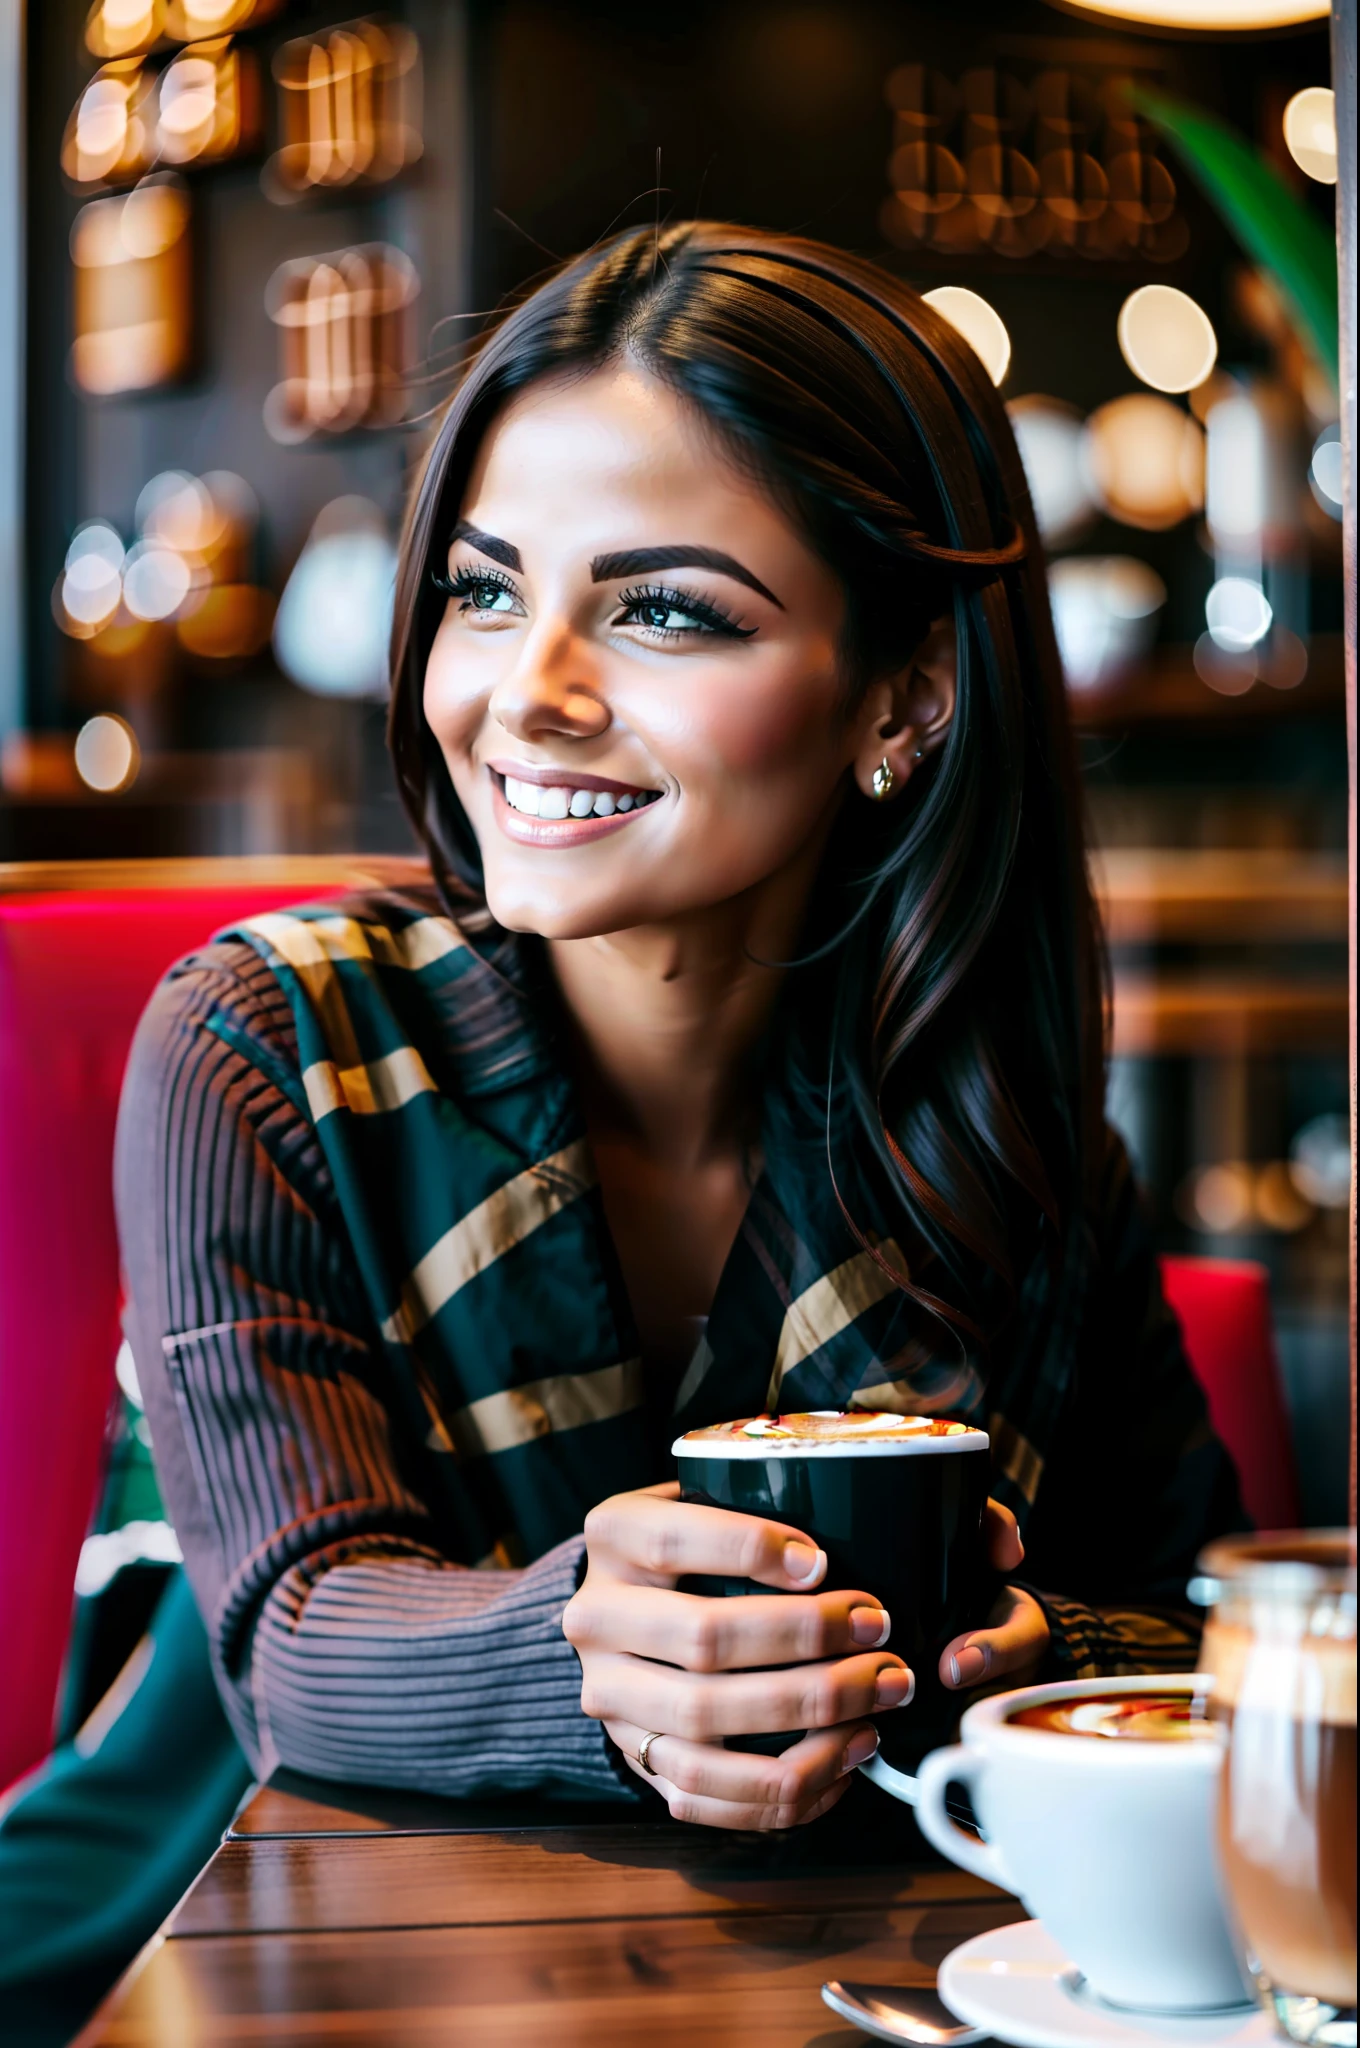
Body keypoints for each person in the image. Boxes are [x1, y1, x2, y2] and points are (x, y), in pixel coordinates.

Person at [107, 222, 1242, 1836]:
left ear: (904, 700)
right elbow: (291, 1643)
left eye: (668, 614)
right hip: (232, 1918)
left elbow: (1196, 1625)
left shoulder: (1000, 1139)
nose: (528, 691)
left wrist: (1031, 1654)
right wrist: (599, 1659)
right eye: (484, 592)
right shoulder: (268, 1048)